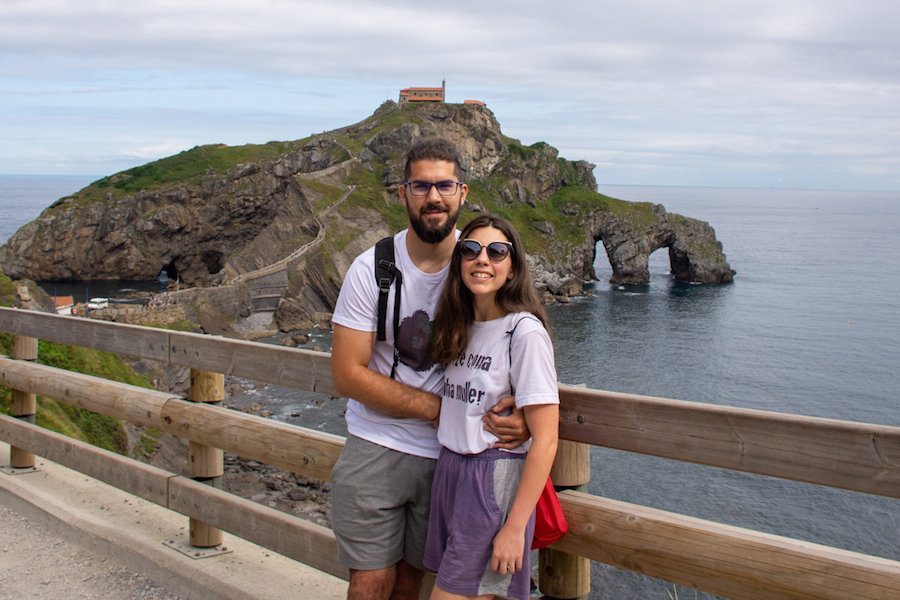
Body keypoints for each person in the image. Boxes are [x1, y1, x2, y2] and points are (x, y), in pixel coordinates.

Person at [330, 138, 529, 600]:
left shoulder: (480, 263)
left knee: (412, 583)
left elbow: (515, 340)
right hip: (377, 443)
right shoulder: (372, 269)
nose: (433, 197)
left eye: (444, 185)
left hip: (454, 458)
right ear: (403, 193)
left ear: (462, 193)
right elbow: (347, 374)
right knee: (371, 581)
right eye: (421, 186)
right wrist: (439, 408)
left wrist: (525, 407)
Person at [424, 214, 559, 600]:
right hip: (450, 469)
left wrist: (515, 528)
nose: (482, 259)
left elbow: (546, 439)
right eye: (470, 249)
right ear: (459, 261)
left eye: (497, 251)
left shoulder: (524, 331)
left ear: (512, 266)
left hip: (489, 480)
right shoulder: (458, 325)